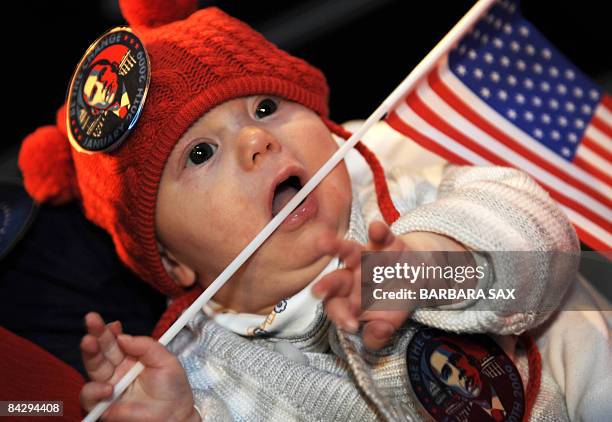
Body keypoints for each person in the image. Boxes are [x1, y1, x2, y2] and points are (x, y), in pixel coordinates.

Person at [17, 0, 610, 421]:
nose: (257, 141)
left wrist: (431, 265)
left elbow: (536, 229)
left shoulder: (393, 183)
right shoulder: (205, 373)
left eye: (267, 106)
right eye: (200, 153)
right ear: (174, 262)